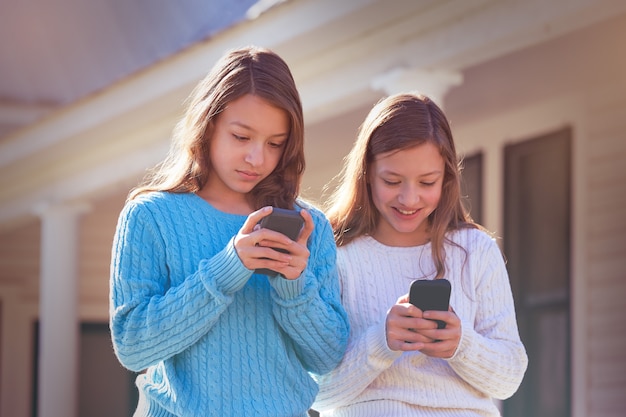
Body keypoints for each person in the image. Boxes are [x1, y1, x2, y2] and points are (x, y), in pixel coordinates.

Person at [109, 45, 349, 417]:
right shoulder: (150, 216)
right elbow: (133, 346)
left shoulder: (308, 226)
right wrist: (229, 266)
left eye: (275, 144)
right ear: (208, 126)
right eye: (241, 137)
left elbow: (327, 357)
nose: (258, 159)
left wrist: (294, 284)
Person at [312, 92, 527, 416]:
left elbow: (508, 379)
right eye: (392, 180)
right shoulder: (338, 255)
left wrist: (462, 345)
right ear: (367, 172)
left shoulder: (475, 252)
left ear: (447, 177)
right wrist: (381, 342)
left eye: (427, 182)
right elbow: (318, 393)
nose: (409, 198)